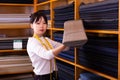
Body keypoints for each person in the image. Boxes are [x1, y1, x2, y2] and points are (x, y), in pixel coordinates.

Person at [27, 10, 68, 80]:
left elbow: (66, 48)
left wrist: (70, 41)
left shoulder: (46, 39)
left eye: (44, 23)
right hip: (42, 77)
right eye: (38, 23)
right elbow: (47, 55)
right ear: (31, 25)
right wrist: (64, 45)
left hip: (54, 74)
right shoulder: (32, 42)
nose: (42, 26)